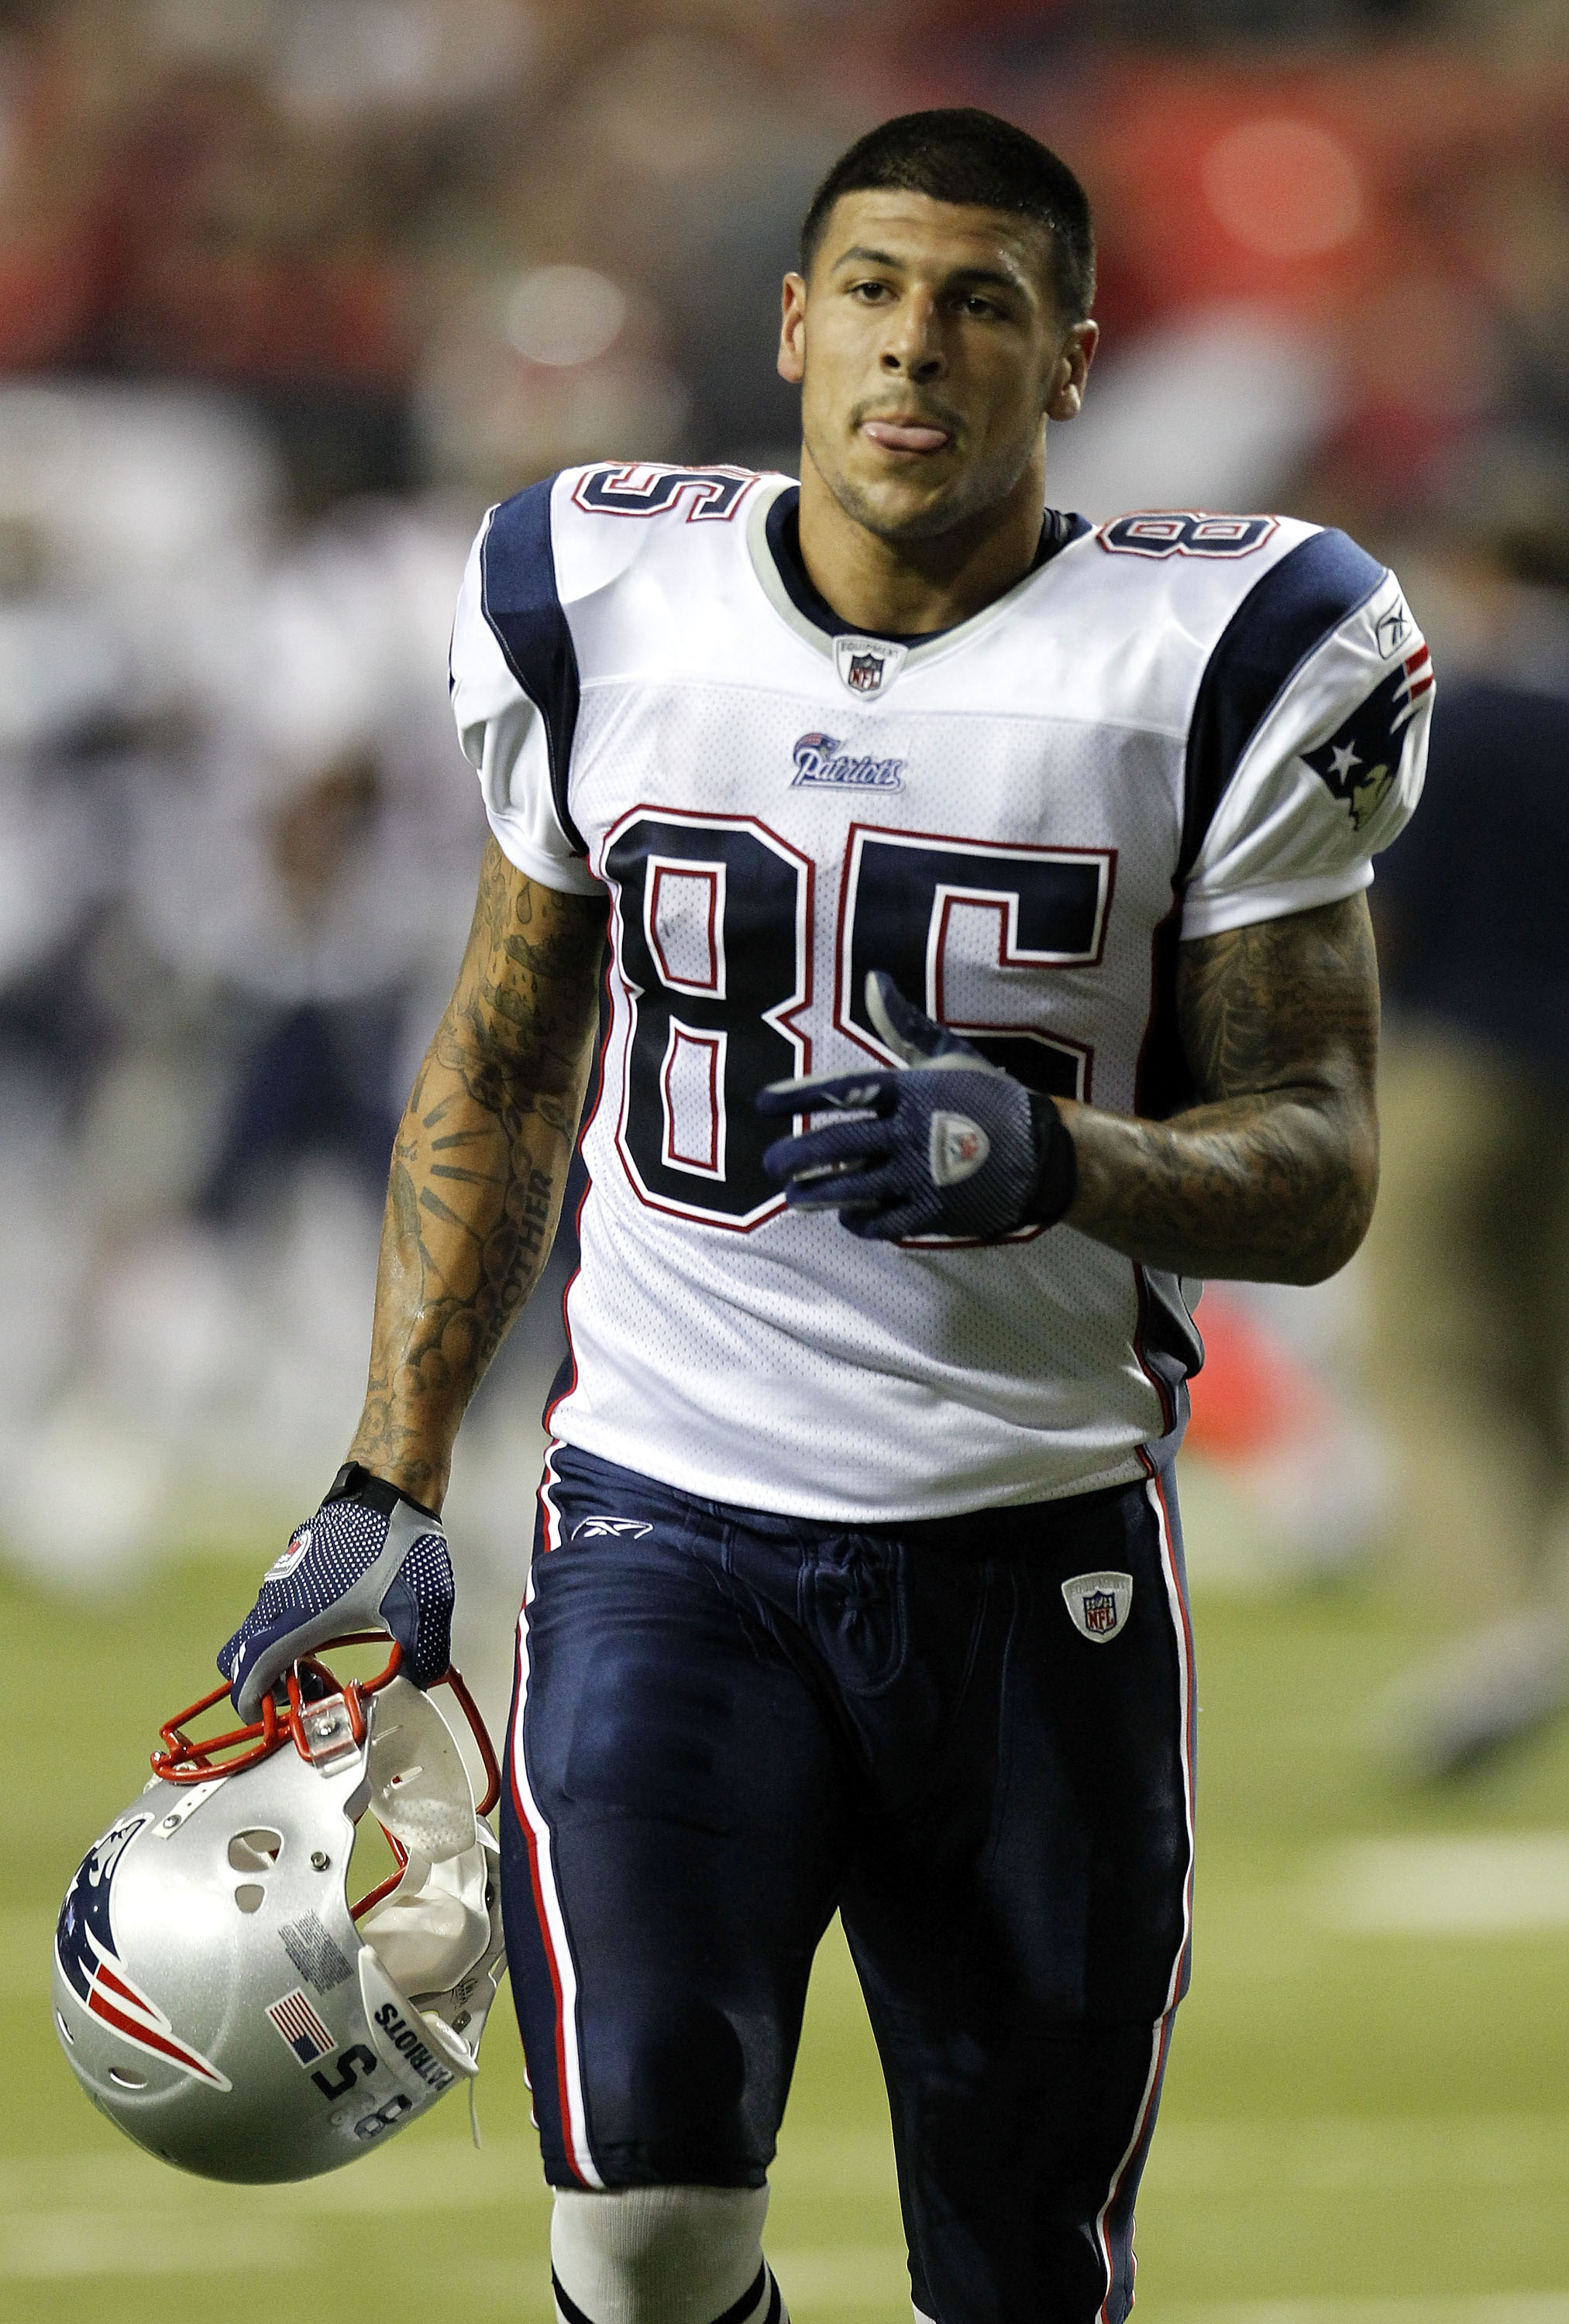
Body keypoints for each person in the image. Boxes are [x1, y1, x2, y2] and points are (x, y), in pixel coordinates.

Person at [215, 110, 1430, 2324]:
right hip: (665, 1527)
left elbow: (1323, 1165)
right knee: (644, 2225)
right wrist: (385, 1477)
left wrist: (1056, 1156)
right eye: (871, 291)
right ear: (791, 324)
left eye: (981, 303)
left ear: (1072, 355)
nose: (914, 347)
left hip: (1031, 1544)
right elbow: (506, 1059)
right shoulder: (597, 586)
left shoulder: (1234, 643)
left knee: (1020, 2271)